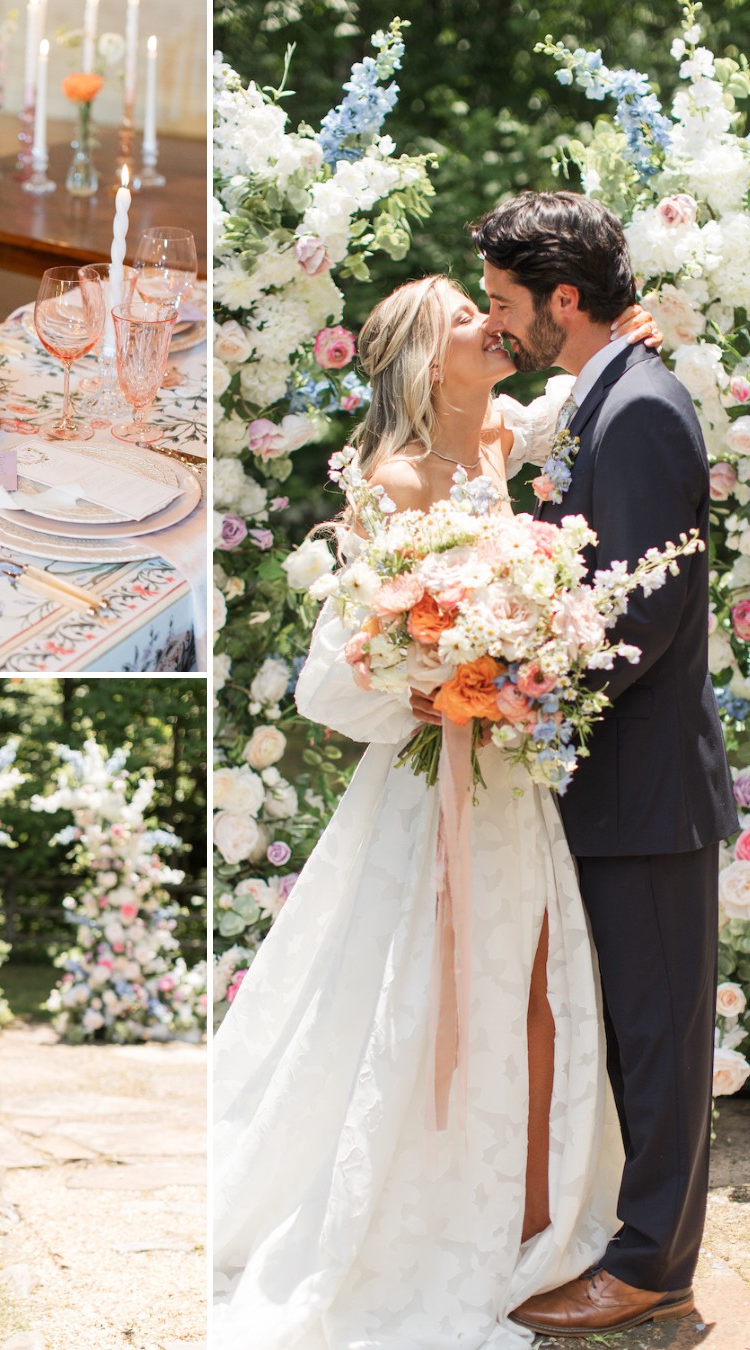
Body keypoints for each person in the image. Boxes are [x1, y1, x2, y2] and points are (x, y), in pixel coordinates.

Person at [213, 271, 659, 1349]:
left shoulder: (503, 438)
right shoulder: (394, 479)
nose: (494, 326)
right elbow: (336, 678)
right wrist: (443, 683)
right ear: (425, 354)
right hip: (437, 780)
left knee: (542, 982)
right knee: (423, 995)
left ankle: (540, 1228)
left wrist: (627, 339)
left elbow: (571, 400)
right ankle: (435, 1223)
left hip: (512, 776)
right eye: (471, 316)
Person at [470, 191, 737, 1336]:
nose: (499, 325)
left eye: (505, 304)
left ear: (563, 302)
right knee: (628, 1032)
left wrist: (523, 689)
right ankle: (627, 1244)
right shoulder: (608, 397)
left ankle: (654, 1271)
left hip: (647, 794)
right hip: (609, 790)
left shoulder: (638, 411)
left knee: (661, 1038)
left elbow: (637, 616)